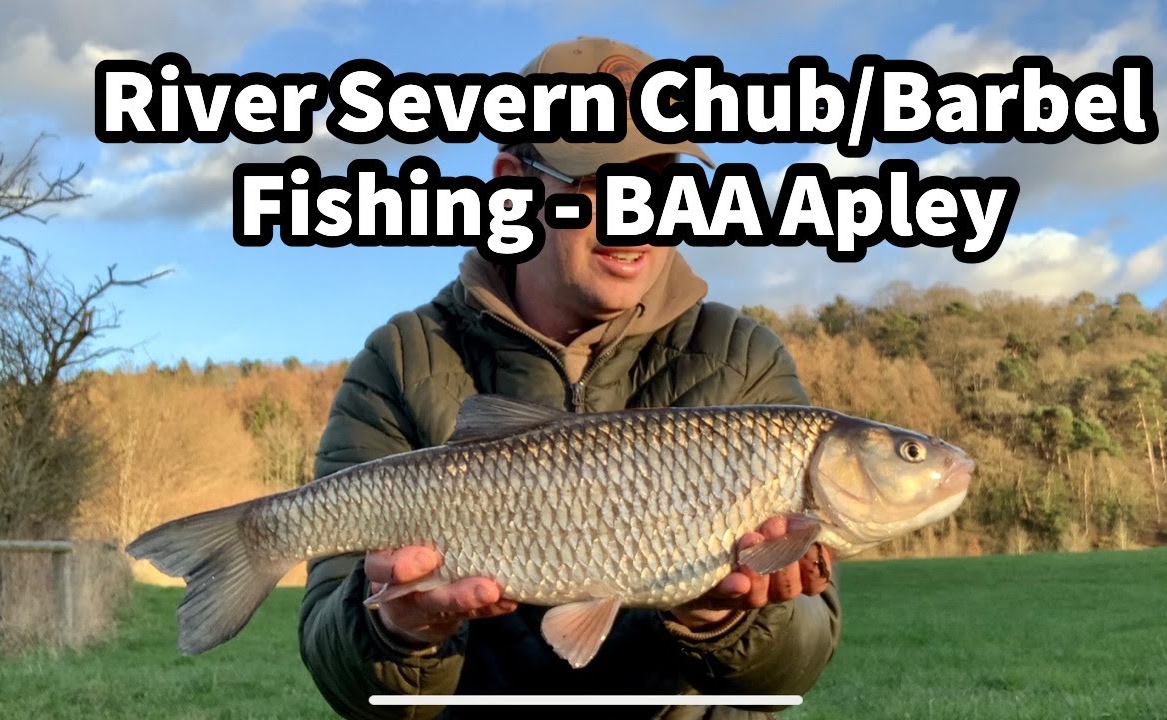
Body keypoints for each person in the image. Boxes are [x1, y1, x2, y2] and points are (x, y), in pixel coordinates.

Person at [298, 36, 842, 720]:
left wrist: (720, 621)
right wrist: (396, 630)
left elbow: (797, 665)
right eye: (600, 181)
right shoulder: (402, 359)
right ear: (512, 183)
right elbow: (341, 671)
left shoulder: (741, 357)